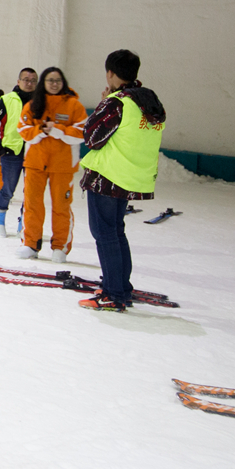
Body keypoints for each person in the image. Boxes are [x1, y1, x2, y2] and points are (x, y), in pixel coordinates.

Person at [77, 50, 166, 311]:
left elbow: (92, 137)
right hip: (130, 177)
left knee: (104, 233)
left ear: (111, 73)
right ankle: (121, 287)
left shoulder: (118, 102)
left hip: (108, 177)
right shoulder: (149, 100)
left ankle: (114, 293)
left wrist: (105, 102)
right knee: (115, 232)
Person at [18, 67, 86, 262]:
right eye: (49, 80)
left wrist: (57, 130)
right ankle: (30, 244)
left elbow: (81, 132)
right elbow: (23, 129)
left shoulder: (74, 105)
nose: (54, 84)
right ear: (43, 83)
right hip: (35, 164)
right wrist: (41, 130)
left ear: (63, 82)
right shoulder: (33, 104)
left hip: (62, 165)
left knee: (61, 206)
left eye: (57, 80)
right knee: (32, 205)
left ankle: (60, 247)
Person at [0, 68, 37, 234]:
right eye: (25, 79)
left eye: (33, 80)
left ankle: (24, 221)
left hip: (34, 152)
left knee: (30, 192)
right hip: (11, 151)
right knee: (8, 188)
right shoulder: (7, 99)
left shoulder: (41, 101)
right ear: (18, 82)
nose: (29, 83)